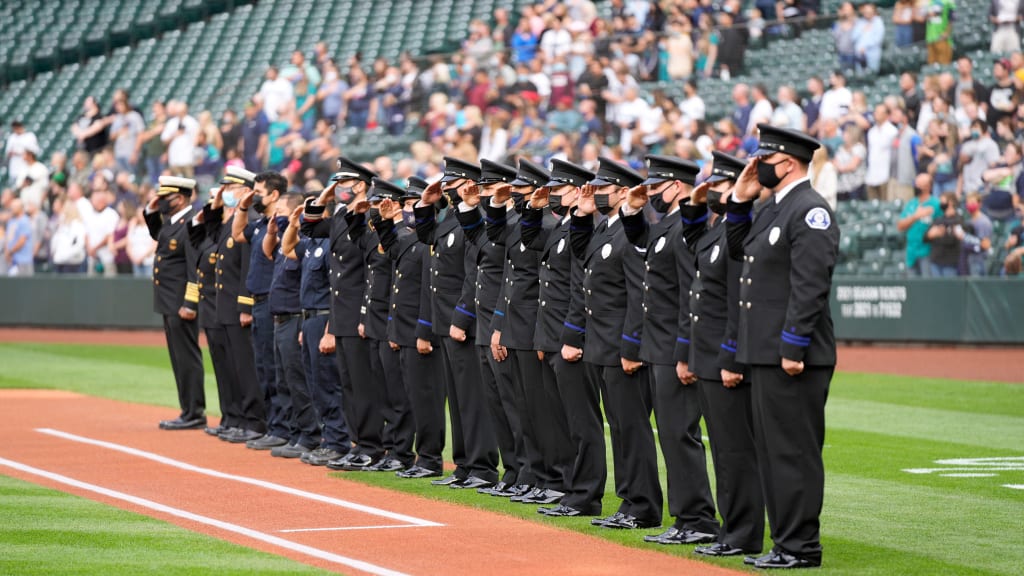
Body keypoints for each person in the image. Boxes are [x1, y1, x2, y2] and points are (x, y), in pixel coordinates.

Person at [724, 124, 838, 569]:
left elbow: (810, 286)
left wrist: (793, 346)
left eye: (764, 160)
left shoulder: (810, 210)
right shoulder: (775, 207)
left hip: (793, 359)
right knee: (772, 453)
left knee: (792, 453)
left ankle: (800, 546)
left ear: (787, 162)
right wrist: (739, 197)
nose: (757, 166)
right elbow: (739, 249)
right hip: (765, 353)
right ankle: (785, 543)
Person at [619, 155, 718, 545]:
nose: (652, 195)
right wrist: (632, 209)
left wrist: (683, 352)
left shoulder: (685, 229)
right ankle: (685, 517)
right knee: (672, 435)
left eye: (657, 188)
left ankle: (698, 518)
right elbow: (642, 242)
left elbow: (688, 296)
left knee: (680, 434)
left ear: (677, 186)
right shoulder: (669, 227)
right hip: (658, 345)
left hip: (672, 347)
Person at [567, 158, 663, 530]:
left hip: (622, 348)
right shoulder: (607, 228)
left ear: (624, 192)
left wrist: (631, 347)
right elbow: (581, 253)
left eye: (603, 189)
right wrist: (582, 212)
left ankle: (642, 505)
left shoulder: (633, 232)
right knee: (621, 428)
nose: (596, 194)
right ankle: (629, 501)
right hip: (603, 346)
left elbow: (641, 295)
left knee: (632, 429)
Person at [525, 159, 607, 518]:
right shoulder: (564, 227)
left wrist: (571, 336)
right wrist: (533, 208)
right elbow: (531, 239)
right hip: (553, 335)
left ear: (577, 191)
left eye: (557, 191)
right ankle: (567, 487)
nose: (552, 196)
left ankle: (586, 494)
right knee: (560, 421)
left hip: (571, 337)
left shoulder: (584, 228)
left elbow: (579, 288)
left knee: (581, 422)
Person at [409, 158, 497, 485]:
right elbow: (428, 236)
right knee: (458, 399)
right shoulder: (451, 217)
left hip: (464, 320)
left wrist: (462, 317)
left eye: (454, 184)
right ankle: (463, 467)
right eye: (446, 184)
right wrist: (424, 204)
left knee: (473, 399)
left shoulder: (477, 219)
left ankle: (483, 467)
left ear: (469, 184)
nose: (447, 189)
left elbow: (474, 275)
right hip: (445, 319)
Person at [300, 158, 386, 470]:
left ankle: (372, 446)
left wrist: (365, 314)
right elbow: (308, 227)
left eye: (344, 183)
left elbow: (372, 271)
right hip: (341, 313)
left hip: (359, 314)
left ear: (361, 185)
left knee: (363, 385)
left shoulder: (369, 216)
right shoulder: (339, 216)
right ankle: (358, 441)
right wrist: (321, 198)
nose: (339, 189)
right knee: (349, 384)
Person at [373, 179, 445, 476]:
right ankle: (411, 454)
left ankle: (430, 458)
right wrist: (385, 222)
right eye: (405, 204)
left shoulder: (428, 239)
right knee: (407, 397)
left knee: (426, 399)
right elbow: (391, 250)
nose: (406, 209)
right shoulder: (408, 238)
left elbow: (430, 289)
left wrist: (424, 331)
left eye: (411, 204)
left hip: (420, 331)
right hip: (403, 330)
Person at [285, 192, 356, 463]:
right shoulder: (313, 241)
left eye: (311, 210)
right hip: (310, 318)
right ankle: (330, 437)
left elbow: (335, 291)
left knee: (329, 382)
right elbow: (286, 248)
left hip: (326, 318)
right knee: (316, 384)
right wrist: (293, 224)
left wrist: (330, 330)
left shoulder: (329, 245)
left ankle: (338, 441)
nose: (306, 214)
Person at [233, 171, 293, 446]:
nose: (253, 195)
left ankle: (282, 429)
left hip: (273, 301)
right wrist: (243, 206)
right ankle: (273, 426)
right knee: (264, 367)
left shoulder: (282, 224)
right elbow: (237, 234)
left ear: (274, 195)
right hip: (258, 301)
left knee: (275, 367)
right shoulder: (259, 225)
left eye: (258, 192)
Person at [145, 176, 205, 430]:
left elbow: (195, 268)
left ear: (179, 198)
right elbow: (157, 232)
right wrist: (150, 208)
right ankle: (187, 409)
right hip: (169, 302)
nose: (161, 203)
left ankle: (194, 412)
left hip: (181, 303)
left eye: (165, 199)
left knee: (187, 358)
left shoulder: (191, 223)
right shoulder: (173, 222)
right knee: (178, 358)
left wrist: (190, 303)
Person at [897, 172, 941, 276]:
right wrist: (915, 216)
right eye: (916, 184)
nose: (916, 187)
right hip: (911, 251)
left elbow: (942, 224)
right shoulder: (911, 203)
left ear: (928, 187)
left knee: (927, 286)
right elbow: (900, 226)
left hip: (928, 251)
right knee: (913, 286)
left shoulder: (936, 204)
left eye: (919, 184)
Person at [925, 192, 964, 276]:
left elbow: (954, 239)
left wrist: (940, 233)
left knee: (948, 288)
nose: (941, 204)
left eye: (943, 201)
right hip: (935, 261)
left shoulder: (959, 219)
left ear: (950, 202)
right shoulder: (938, 219)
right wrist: (931, 234)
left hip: (950, 262)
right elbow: (926, 237)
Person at [161, 101, 200, 178]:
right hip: (174, 158)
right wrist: (175, 135)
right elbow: (164, 139)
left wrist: (193, 151)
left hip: (188, 157)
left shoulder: (192, 122)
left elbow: (196, 138)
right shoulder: (171, 123)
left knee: (189, 181)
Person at [51, 200, 88, 273]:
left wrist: (65, 256)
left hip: (74, 263)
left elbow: (79, 245)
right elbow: (56, 242)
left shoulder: (79, 226)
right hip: (59, 262)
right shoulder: (62, 226)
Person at [5, 121, 40, 187]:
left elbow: (35, 150)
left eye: (17, 127)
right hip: (15, 168)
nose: (16, 130)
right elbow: (8, 152)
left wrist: (20, 152)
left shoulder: (30, 136)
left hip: (27, 167)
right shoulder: (12, 137)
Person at [4, 199, 33, 276]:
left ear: (20, 208)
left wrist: (10, 251)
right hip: (12, 260)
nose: (11, 209)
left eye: (14, 207)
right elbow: (8, 238)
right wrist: (7, 252)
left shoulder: (24, 221)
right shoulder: (11, 221)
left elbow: (22, 240)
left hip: (23, 260)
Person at [926, 0, 955, 65]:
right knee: (931, 67)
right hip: (930, 38)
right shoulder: (929, 1)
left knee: (944, 65)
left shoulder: (948, 1)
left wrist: (947, 33)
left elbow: (952, 18)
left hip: (942, 38)